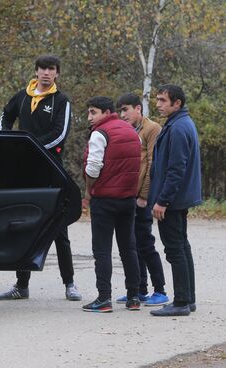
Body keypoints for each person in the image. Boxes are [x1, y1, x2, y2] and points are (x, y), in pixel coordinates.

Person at [0, 54, 82, 302]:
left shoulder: (61, 100)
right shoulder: (22, 95)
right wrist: (7, 139)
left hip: (51, 171)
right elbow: (6, 116)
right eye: (42, 68)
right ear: (36, 71)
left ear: (57, 74)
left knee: (59, 228)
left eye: (51, 69)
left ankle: (70, 284)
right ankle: (21, 285)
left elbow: (60, 134)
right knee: (24, 226)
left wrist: (31, 148)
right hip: (23, 171)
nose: (46, 72)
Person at [81, 96, 141, 313]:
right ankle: (134, 296)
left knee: (102, 250)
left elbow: (93, 167)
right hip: (127, 199)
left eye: (93, 112)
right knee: (128, 248)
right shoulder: (131, 131)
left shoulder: (100, 133)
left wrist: (89, 189)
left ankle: (104, 298)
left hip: (105, 199)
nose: (90, 117)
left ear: (106, 113)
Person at [149, 85, 202, 317]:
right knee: (182, 246)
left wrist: (163, 200)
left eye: (163, 100)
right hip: (178, 199)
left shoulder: (179, 127)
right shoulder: (179, 123)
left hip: (172, 200)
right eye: (158, 100)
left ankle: (181, 301)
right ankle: (188, 300)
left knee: (175, 249)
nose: (158, 104)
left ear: (177, 103)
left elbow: (176, 169)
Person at [114, 93, 169, 307]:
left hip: (142, 198)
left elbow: (152, 164)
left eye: (126, 109)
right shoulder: (127, 130)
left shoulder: (152, 128)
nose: (122, 114)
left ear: (138, 109)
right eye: (120, 110)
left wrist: (145, 195)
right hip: (128, 195)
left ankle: (160, 289)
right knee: (133, 243)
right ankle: (139, 289)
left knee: (145, 243)